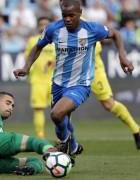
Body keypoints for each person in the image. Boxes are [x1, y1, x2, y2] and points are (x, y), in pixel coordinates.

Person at [13, 0, 134, 162]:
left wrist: (122, 56)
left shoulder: (92, 29)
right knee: (61, 121)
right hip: (58, 84)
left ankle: (65, 143)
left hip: (80, 84)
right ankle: (73, 145)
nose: (68, 19)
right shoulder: (53, 29)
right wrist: (26, 67)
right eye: (64, 16)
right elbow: (38, 46)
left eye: (71, 15)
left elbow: (115, 34)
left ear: (80, 13)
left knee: (57, 114)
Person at [92, 42, 140, 149]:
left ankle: (136, 129)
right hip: (72, 71)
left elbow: (113, 34)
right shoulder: (59, 30)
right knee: (66, 103)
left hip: (93, 70)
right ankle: (66, 140)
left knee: (108, 104)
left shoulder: (90, 28)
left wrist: (121, 55)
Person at [25, 16, 56, 138]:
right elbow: (27, 57)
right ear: (38, 26)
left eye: (46, 24)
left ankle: (63, 135)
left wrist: (54, 62)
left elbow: (61, 56)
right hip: (38, 80)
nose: (43, 26)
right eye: (41, 24)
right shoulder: (33, 40)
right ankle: (40, 135)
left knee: (60, 109)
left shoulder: (56, 40)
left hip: (54, 80)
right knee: (38, 108)